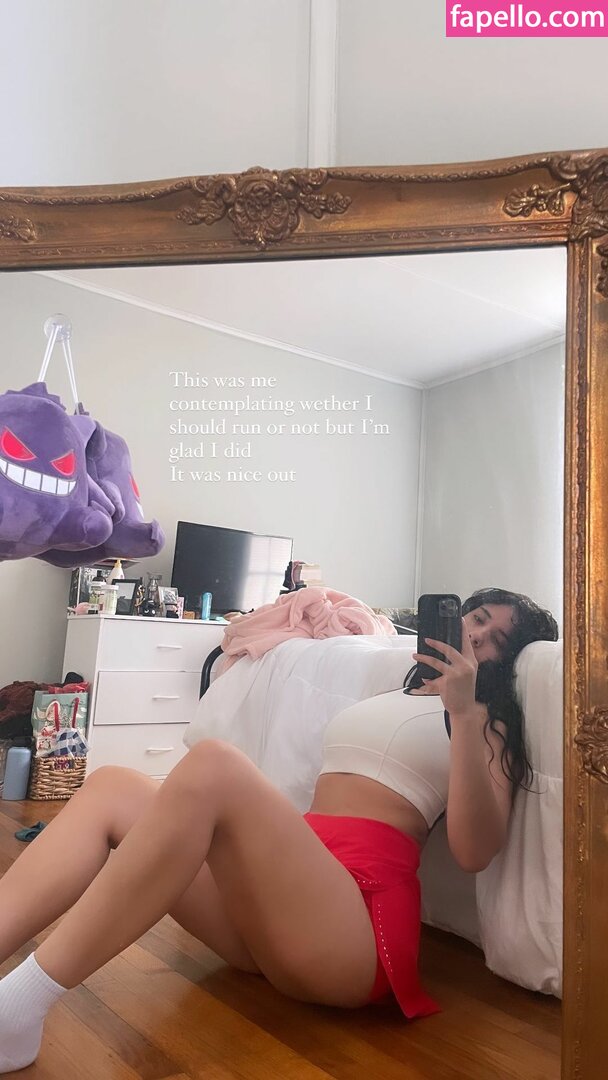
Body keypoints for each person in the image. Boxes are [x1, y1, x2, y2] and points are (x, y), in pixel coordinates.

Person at [0, 587, 558, 1072]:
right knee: (112, 786)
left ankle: (17, 1008)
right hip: (286, 906)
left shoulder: (485, 723)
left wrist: (465, 713)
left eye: (495, 637)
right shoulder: (397, 693)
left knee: (215, 765)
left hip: (354, 925)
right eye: (475, 618)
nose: (475, 635)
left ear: (509, 661)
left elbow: (475, 851)